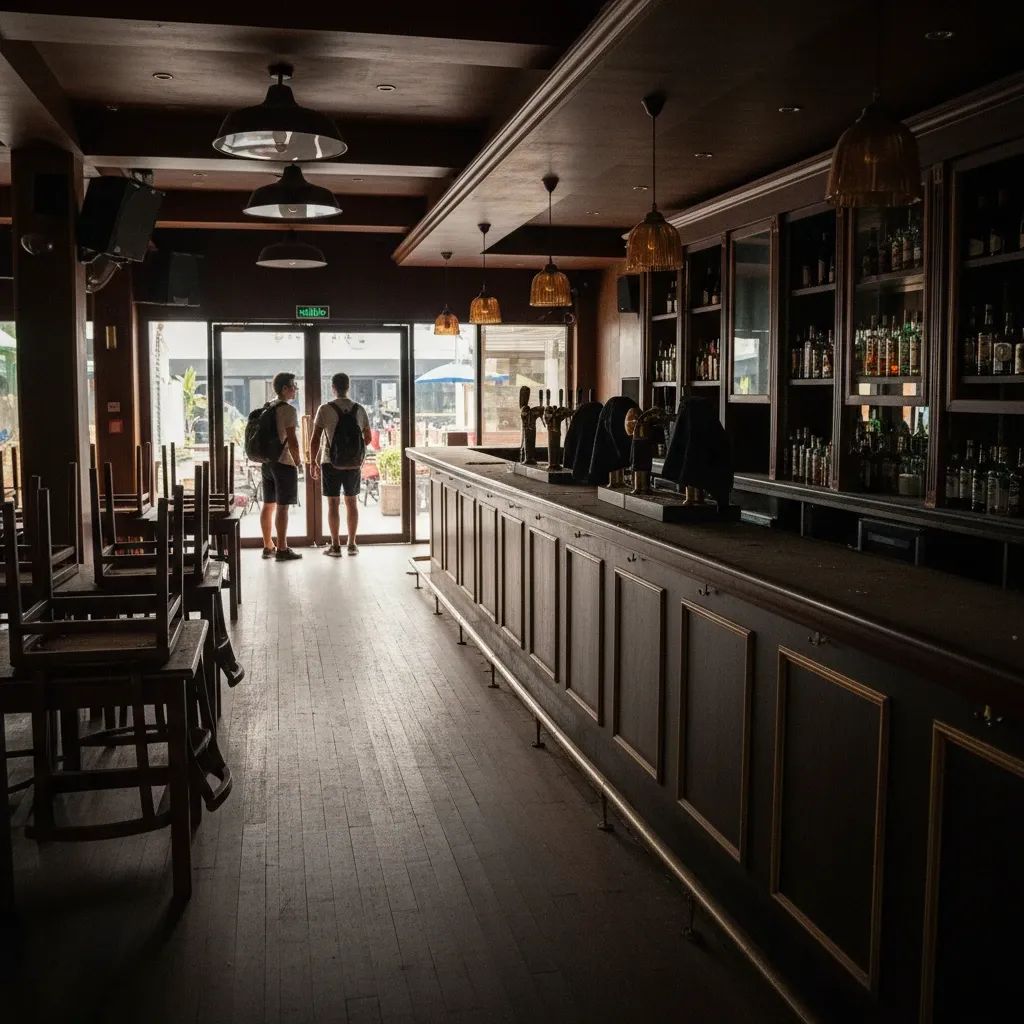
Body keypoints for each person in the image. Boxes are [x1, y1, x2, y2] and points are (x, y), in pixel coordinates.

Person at [309, 372, 372, 556]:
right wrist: (352, 448)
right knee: (352, 503)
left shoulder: (324, 409)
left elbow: (315, 440)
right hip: (353, 464)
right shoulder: (359, 409)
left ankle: (335, 546)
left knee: (333, 503)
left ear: (333, 388)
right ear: (348, 387)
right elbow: (367, 438)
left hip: (330, 462)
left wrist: (313, 462)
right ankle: (352, 544)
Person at [260, 371, 303, 561]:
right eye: (293, 385)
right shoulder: (288, 410)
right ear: (285, 388)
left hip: (267, 463)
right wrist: (299, 462)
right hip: (284, 463)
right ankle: (282, 549)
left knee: (268, 505)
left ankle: (268, 545)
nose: (296, 389)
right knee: (283, 507)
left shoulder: (268, 406)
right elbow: (292, 440)